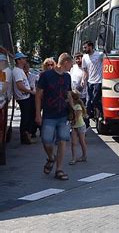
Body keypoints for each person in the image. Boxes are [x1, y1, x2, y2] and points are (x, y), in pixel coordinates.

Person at [36, 53, 75, 181]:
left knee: (62, 141)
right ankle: (51, 158)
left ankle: (59, 169)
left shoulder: (67, 77)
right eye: (71, 64)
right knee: (46, 141)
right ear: (65, 63)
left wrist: (73, 110)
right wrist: (38, 114)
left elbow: (69, 94)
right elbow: (38, 95)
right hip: (49, 115)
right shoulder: (46, 76)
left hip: (63, 114)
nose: (72, 66)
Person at [12, 52, 35, 144]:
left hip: (25, 97)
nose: (25, 60)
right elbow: (20, 86)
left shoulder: (19, 70)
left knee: (27, 117)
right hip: (23, 98)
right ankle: (24, 137)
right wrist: (31, 92)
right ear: (18, 60)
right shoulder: (17, 71)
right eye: (23, 58)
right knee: (25, 118)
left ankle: (26, 136)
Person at [81, 41, 104, 119]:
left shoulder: (99, 55)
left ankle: (102, 113)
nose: (84, 49)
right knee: (89, 101)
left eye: (85, 47)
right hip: (90, 81)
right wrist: (83, 80)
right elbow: (85, 70)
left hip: (98, 81)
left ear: (90, 47)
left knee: (95, 100)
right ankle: (89, 117)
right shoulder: (84, 57)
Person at [69, 90, 88, 165]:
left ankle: (84, 155)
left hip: (80, 125)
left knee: (81, 141)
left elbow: (76, 118)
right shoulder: (72, 105)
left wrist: (70, 121)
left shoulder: (78, 107)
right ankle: (74, 158)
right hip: (74, 127)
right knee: (73, 143)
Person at [70, 53, 89, 129]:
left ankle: (85, 126)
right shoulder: (73, 67)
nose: (77, 60)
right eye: (76, 58)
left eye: (79, 58)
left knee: (82, 111)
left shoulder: (85, 68)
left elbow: (86, 79)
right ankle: (75, 126)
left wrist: (80, 88)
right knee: (73, 110)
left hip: (82, 94)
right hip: (73, 94)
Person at [23, 62, 39, 138]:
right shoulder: (20, 76)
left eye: (27, 67)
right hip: (25, 96)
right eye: (24, 67)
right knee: (27, 115)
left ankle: (32, 131)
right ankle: (27, 131)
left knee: (33, 113)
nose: (26, 68)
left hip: (32, 96)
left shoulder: (33, 76)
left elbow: (39, 81)